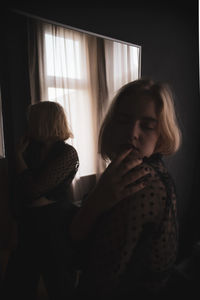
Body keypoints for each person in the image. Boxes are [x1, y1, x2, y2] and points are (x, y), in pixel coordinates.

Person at [68, 78, 182, 299]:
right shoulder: (120, 174)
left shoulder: (140, 184)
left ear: (162, 133)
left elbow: (99, 281)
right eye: (123, 120)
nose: (132, 133)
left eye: (148, 125)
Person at [2, 101, 79, 300]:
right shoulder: (31, 151)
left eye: (33, 120)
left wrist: (18, 158)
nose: (29, 125)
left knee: (59, 284)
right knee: (17, 285)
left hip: (54, 225)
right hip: (29, 222)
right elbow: (18, 192)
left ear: (46, 122)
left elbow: (33, 189)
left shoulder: (67, 154)